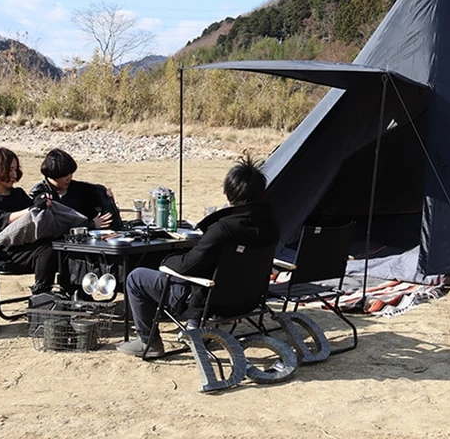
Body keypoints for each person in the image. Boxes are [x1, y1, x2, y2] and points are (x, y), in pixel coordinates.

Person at [117, 155, 279, 358]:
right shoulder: (271, 225)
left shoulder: (223, 229)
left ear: (229, 194)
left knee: (136, 277)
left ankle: (148, 342)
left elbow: (188, 266)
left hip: (211, 301)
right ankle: (195, 327)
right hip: (248, 300)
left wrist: (165, 261)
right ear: (261, 193)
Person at [0, 147, 58, 294]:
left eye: (15, 169)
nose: (14, 174)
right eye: (10, 170)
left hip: (23, 244)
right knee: (47, 249)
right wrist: (33, 209)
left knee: (64, 246)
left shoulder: (17, 194)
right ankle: (42, 293)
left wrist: (42, 202)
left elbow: (36, 214)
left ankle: (74, 293)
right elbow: (3, 220)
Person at [29, 148, 119, 230]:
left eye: (71, 174)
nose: (68, 178)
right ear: (53, 175)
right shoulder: (38, 194)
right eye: (64, 175)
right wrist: (90, 224)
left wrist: (106, 198)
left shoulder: (81, 189)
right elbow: (49, 225)